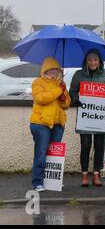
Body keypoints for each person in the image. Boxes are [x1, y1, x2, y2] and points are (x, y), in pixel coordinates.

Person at [69, 49, 105, 187]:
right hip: (85, 118)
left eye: (95, 60)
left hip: (101, 118)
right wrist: (75, 99)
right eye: (90, 60)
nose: (93, 62)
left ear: (99, 61)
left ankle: (96, 174)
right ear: (86, 61)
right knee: (86, 145)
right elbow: (72, 91)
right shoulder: (79, 75)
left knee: (99, 146)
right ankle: (84, 175)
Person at [30, 57, 71, 191]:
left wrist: (63, 98)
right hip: (41, 123)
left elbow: (67, 105)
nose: (54, 72)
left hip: (58, 123)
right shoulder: (38, 82)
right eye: (51, 69)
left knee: (54, 154)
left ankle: (53, 181)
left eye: (56, 70)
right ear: (45, 70)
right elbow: (41, 99)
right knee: (41, 152)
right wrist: (59, 91)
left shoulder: (60, 83)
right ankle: (38, 182)